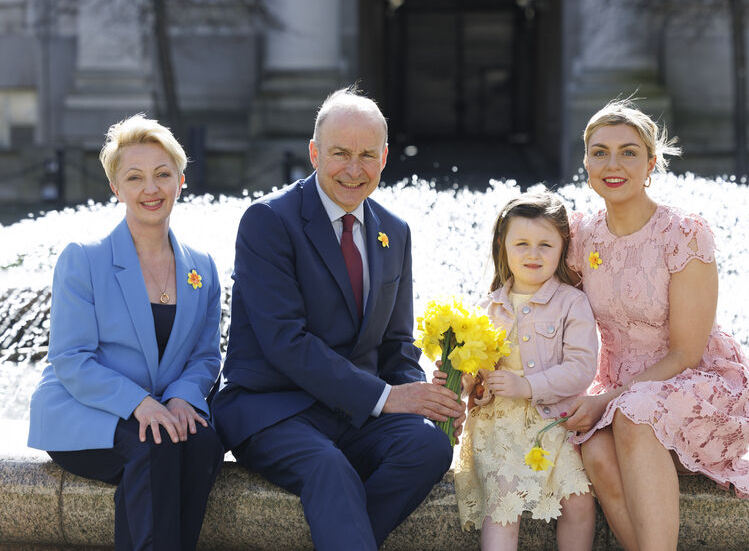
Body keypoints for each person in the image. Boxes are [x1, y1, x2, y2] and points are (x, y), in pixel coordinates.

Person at [210, 85, 465, 551]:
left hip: (354, 414)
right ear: (314, 152)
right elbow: (285, 341)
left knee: (429, 447)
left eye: (367, 154)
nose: (354, 169)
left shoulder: (395, 231)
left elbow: (396, 344)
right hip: (275, 406)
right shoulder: (268, 221)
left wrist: (428, 401)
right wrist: (386, 397)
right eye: (340, 153)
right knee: (330, 471)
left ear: (385, 157)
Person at [564, 99, 749, 551]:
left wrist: (606, 401)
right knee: (594, 451)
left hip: (694, 380)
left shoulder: (684, 234)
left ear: (651, 162)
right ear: (585, 161)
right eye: (599, 152)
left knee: (635, 416)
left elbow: (686, 353)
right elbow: (544, 309)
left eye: (628, 152)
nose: (612, 164)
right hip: (622, 389)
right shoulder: (581, 237)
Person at [28, 115, 225, 551]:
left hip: (160, 409)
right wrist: (140, 404)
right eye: (134, 178)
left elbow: (206, 357)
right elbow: (71, 358)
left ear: (181, 181)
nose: (150, 189)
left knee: (204, 443)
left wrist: (180, 397)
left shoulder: (203, 268)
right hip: (86, 411)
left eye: (162, 175)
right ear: (116, 188)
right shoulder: (84, 259)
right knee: (154, 446)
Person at [454, 192, 598, 550]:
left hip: (554, 422)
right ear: (503, 245)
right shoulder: (486, 308)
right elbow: (474, 375)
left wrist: (528, 385)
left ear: (562, 246)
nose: (533, 254)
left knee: (579, 500)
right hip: (498, 425)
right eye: (522, 243)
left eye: (545, 244)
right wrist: (475, 386)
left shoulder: (572, 302)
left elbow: (581, 369)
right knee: (504, 502)